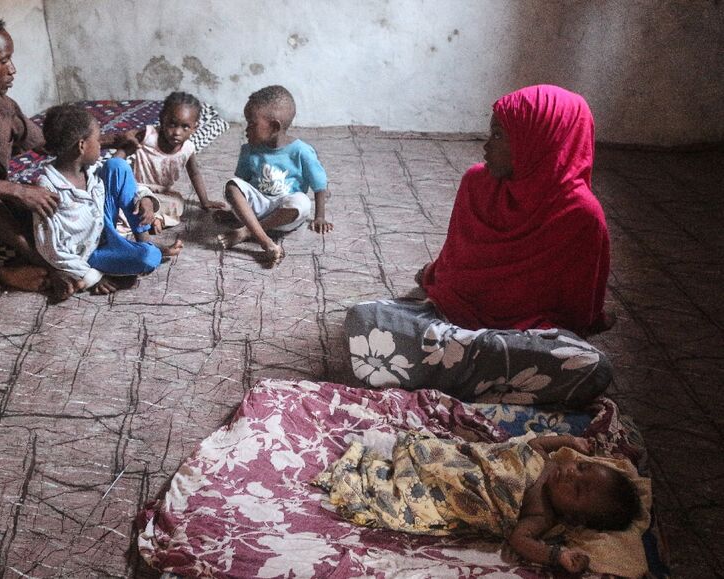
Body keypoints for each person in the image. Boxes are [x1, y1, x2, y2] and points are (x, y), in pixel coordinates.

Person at [344, 85, 613, 406]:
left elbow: (576, 314)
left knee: (590, 365)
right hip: (452, 321)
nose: (486, 146)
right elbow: (454, 267)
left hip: (518, 338)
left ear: (540, 143)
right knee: (362, 318)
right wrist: (434, 276)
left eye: (498, 136)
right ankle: (490, 378)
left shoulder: (581, 214)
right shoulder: (476, 183)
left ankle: (447, 370)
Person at [0, 6, 149, 294]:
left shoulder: (2, 105)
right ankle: (42, 262)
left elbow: (51, 143)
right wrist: (16, 192)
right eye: (3, 60)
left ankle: (38, 261)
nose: (13, 69)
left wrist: (107, 140)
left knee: (54, 196)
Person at [315, 433, 643, 574]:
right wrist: (569, 441)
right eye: (582, 467)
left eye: (579, 491)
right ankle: (404, 459)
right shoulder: (551, 465)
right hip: (468, 464)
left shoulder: (541, 515)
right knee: (437, 453)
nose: (571, 475)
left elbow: (519, 539)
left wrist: (558, 555)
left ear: (574, 518)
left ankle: (380, 475)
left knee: (410, 498)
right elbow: (534, 445)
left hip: (470, 492)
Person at [34, 105, 182, 301]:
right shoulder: (48, 190)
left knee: (117, 165)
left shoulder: (87, 169)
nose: (100, 143)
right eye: (97, 139)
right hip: (88, 253)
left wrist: (144, 199)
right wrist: (91, 277)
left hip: (104, 228)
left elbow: (120, 181)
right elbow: (50, 248)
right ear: (81, 146)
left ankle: (144, 241)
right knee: (149, 258)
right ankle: (132, 257)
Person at [216, 85, 333, 267]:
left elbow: (319, 185)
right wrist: (235, 211)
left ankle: (247, 232)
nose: (246, 129)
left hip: (285, 213)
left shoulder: (301, 151)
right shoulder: (249, 150)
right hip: (259, 207)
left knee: (302, 203)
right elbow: (243, 183)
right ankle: (266, 241)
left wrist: (320, 216)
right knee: (231, 186)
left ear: (274, 127)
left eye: (252, 124)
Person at [114, 92, 225, 236]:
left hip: (162, 193)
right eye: (172, 124)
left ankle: (157, 219)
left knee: (178, 203)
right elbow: (122, 153)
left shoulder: (188, 149)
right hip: (137, 188)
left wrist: (205, 201)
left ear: (194, 128)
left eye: (185, 127)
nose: (177, 132)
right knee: (124, 207)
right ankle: (143, 218)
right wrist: (114, 168)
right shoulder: (148, 136)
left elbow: (194, 173)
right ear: (162, 120)